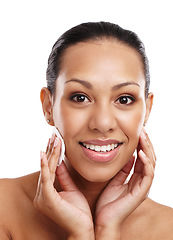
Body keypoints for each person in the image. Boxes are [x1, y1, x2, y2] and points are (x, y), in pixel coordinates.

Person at [0, 21, 172, 240]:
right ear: (48, 107)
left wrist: (107, 230)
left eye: (124, 99)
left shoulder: (168, 229)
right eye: (80, 98)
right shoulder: (3, 207)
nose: (102, 122)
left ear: (147, 110)